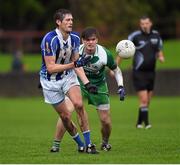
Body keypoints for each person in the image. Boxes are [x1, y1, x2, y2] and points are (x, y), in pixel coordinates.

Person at [50, 27, 126, 152]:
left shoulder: (105, 54)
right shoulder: (75, 51)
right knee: (66, 113)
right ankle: (56, 144)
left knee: (105, 121)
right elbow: (63, 65)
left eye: (93, 39)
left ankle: (105, 142)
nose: (90, 42)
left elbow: (116, 70)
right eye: (87, 40)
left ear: (97, 40)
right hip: (77, 83)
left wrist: (121, 86)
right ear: (83, 41)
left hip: (99, 86)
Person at [40, 9, 99, 154]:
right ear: (58, 22)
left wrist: (87, 83)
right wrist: (74, 65)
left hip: (68, 77)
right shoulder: (49, 39)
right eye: (67, 20)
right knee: (65, 116)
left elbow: (76, 63)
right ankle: (80, 144)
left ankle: (89, 145)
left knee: (79, 104)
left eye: (72, 20)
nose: (71, 22)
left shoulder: (75, 37)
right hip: (50, 82)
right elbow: (51, 68)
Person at [123, 15, 165, 129]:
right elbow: (123, 49)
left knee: (147, 101)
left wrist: (161, 57)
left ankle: (138, 123)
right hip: (138, 72)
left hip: (151, 73)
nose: (144, 25)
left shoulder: (156, 35)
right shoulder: (135, 36)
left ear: (150, 23)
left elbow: (159, 50)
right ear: (140, 25)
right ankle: (147, 124)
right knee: (144, 99)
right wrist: (115, 66)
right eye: (142, 24)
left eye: (146, 23)